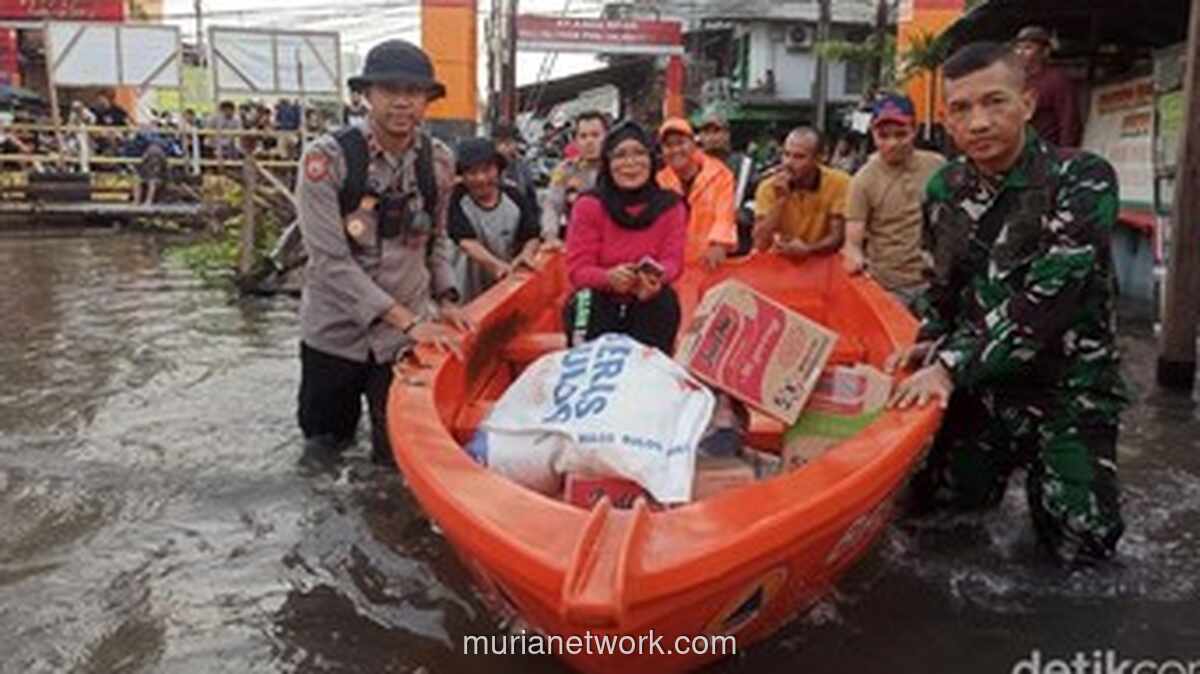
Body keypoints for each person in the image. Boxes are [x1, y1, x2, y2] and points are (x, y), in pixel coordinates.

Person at [887, 42, 1129, 565]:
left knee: (1082, 553)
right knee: (930, 525)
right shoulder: (944, 188)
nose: (978, 122)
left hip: (1066, 387)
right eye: (961, 109)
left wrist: (949, 365)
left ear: (1027, 101)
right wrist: (928, 342)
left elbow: (1050, 298)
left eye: (994, 102)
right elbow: (943, 287)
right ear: (946, 121)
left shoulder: (1082, 179)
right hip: (983, 386)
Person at [295, 39, 470, 470]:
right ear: (366, 95)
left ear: (427, 101)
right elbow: (329, 261)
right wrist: (410, 321)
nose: (402, 102)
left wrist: (446, 299)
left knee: (397, 461)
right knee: (321, 453)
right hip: (334, 335)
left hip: (400, 346)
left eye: (414, 92)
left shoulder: (440, 163)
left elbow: (437, 239)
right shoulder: (325, 160)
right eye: (390, 90)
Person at [563, 121, 687, 355]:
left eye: (639, 153)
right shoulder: (589, 205)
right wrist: (608, 278)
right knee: (584, 299)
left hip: (648, 299)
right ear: (608, 163)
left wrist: (655, 277)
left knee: (665, 300)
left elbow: (673, 262)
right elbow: (578, 270)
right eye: (620, 155)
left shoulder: (671, 206)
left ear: (652, 160)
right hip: (600, 300)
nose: (630, 164)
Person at [842, 93, 946, 309]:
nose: (892, 143)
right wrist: (854, 257)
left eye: (901, 134)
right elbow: (853, 240)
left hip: (933, 282)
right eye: (883, 136)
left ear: (914, 131)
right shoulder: (863, 181)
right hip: (889, 287)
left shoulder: (937, 166)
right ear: (873, 134)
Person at [448, 137, 541, 302]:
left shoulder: (514, 197)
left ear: (498, 170)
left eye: (487, 170)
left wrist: (526, 254)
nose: (481, 178)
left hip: (504, 290)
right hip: (465, 293)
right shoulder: (454, 199)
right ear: (462, 175)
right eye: (472, 173)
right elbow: (466, 242)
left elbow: (531, 234)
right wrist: (497, 267)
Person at [751, 127, 851, 260]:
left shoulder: (840, 183)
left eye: (799, 157)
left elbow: (837, 237)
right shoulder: (768, 187)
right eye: (786, 154)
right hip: (779, 261)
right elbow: (760, 244)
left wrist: (808, 249)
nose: (788, 163)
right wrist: (780, 201)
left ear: (819, 158)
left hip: (821, 261)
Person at [656, 117, 737, 270]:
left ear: (693, 143)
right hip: (671, 267)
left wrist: (719, 244)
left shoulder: (721, 175)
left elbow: (725, 215)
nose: (675, 150)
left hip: (709, 265)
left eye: (680, 143)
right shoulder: (659, 182)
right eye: (668, 145)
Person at [697, 110, 757, 255]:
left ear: (727, 135)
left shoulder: (745, 165)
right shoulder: (692, 165)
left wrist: (741, 215)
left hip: (737, 244)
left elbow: (757, 200)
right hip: (701, 245)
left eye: (717, 131)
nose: (712, 137)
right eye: (707, 133)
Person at [542, 111, 607, 243]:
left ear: (606, 137)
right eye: (583, 136)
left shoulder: (618, 168)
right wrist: (550, 236)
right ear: (576, 141)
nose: (590, 141)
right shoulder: (564, 170)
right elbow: (552, 205)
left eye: (595, 135)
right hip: (578, 241)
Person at [1012, 26, 1081, 148]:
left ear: (1045, 52)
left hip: (1046, 152)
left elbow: (1069, 121)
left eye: (1028, 47)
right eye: (1018, 48)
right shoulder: (1015, 81)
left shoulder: (1057, 80)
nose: (1020, 52)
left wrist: (1064, 155)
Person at [492, 123, 541, 225]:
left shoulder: (522, 165)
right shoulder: (488, 166)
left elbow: (531, 196)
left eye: (509, 143)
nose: (505, 148)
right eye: (500, 143)